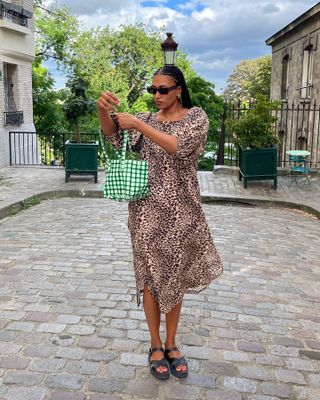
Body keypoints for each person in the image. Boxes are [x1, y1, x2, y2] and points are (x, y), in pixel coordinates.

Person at [97, 65, 223, 380]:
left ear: (179, 89)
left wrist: (139, 122)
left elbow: (178, 147)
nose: (156, 95)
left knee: (175, 277)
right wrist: (103, 111)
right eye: (152, 90)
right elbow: (112, 135)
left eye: (163, 90)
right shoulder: (146, 118)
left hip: (182, 213)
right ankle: (155, 345)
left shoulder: (196, 118)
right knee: (151, 279)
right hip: (145, 213)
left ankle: (171, 343)